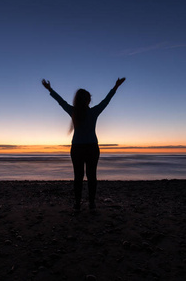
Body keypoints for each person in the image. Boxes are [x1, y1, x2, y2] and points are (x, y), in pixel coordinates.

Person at [42, 77, 126, 212]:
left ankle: (77, 204)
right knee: (92, 176)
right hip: (91, 148)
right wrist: (116, 87)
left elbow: (60, 102)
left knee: (78, 177)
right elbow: (106, 101)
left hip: (77, 148)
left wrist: (50, 89)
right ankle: (91, 203)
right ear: (88, 100)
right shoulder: (93, 112)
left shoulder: (74, 112)